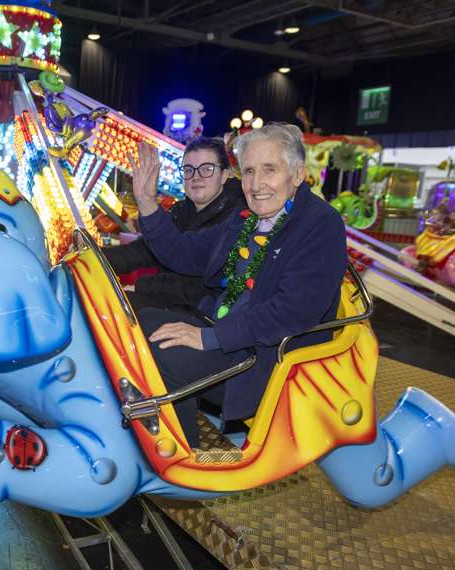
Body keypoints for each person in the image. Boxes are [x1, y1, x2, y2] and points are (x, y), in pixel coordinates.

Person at [131, 123, 347, 448]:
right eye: (248, 172)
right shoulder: (245, 217)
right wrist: (147, 204)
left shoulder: (319, 224)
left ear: (298, 174)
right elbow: (186, 254)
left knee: (161, 358)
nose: (256, 184)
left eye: (269, 170)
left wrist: (209, 338)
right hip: (226, 329)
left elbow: (291, 313)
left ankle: (180, 459)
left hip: (266, 355)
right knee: (136, 324)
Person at [103, 136, 246, 312]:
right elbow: (144, 250)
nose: (196, 177)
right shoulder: (182, 210)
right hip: (173, 303)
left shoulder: (238, 215)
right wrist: (94, 258)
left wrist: (141, 286)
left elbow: (191, 268)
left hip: (207, 314)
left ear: (224, 175)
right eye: (188, 170)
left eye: (207, 169)